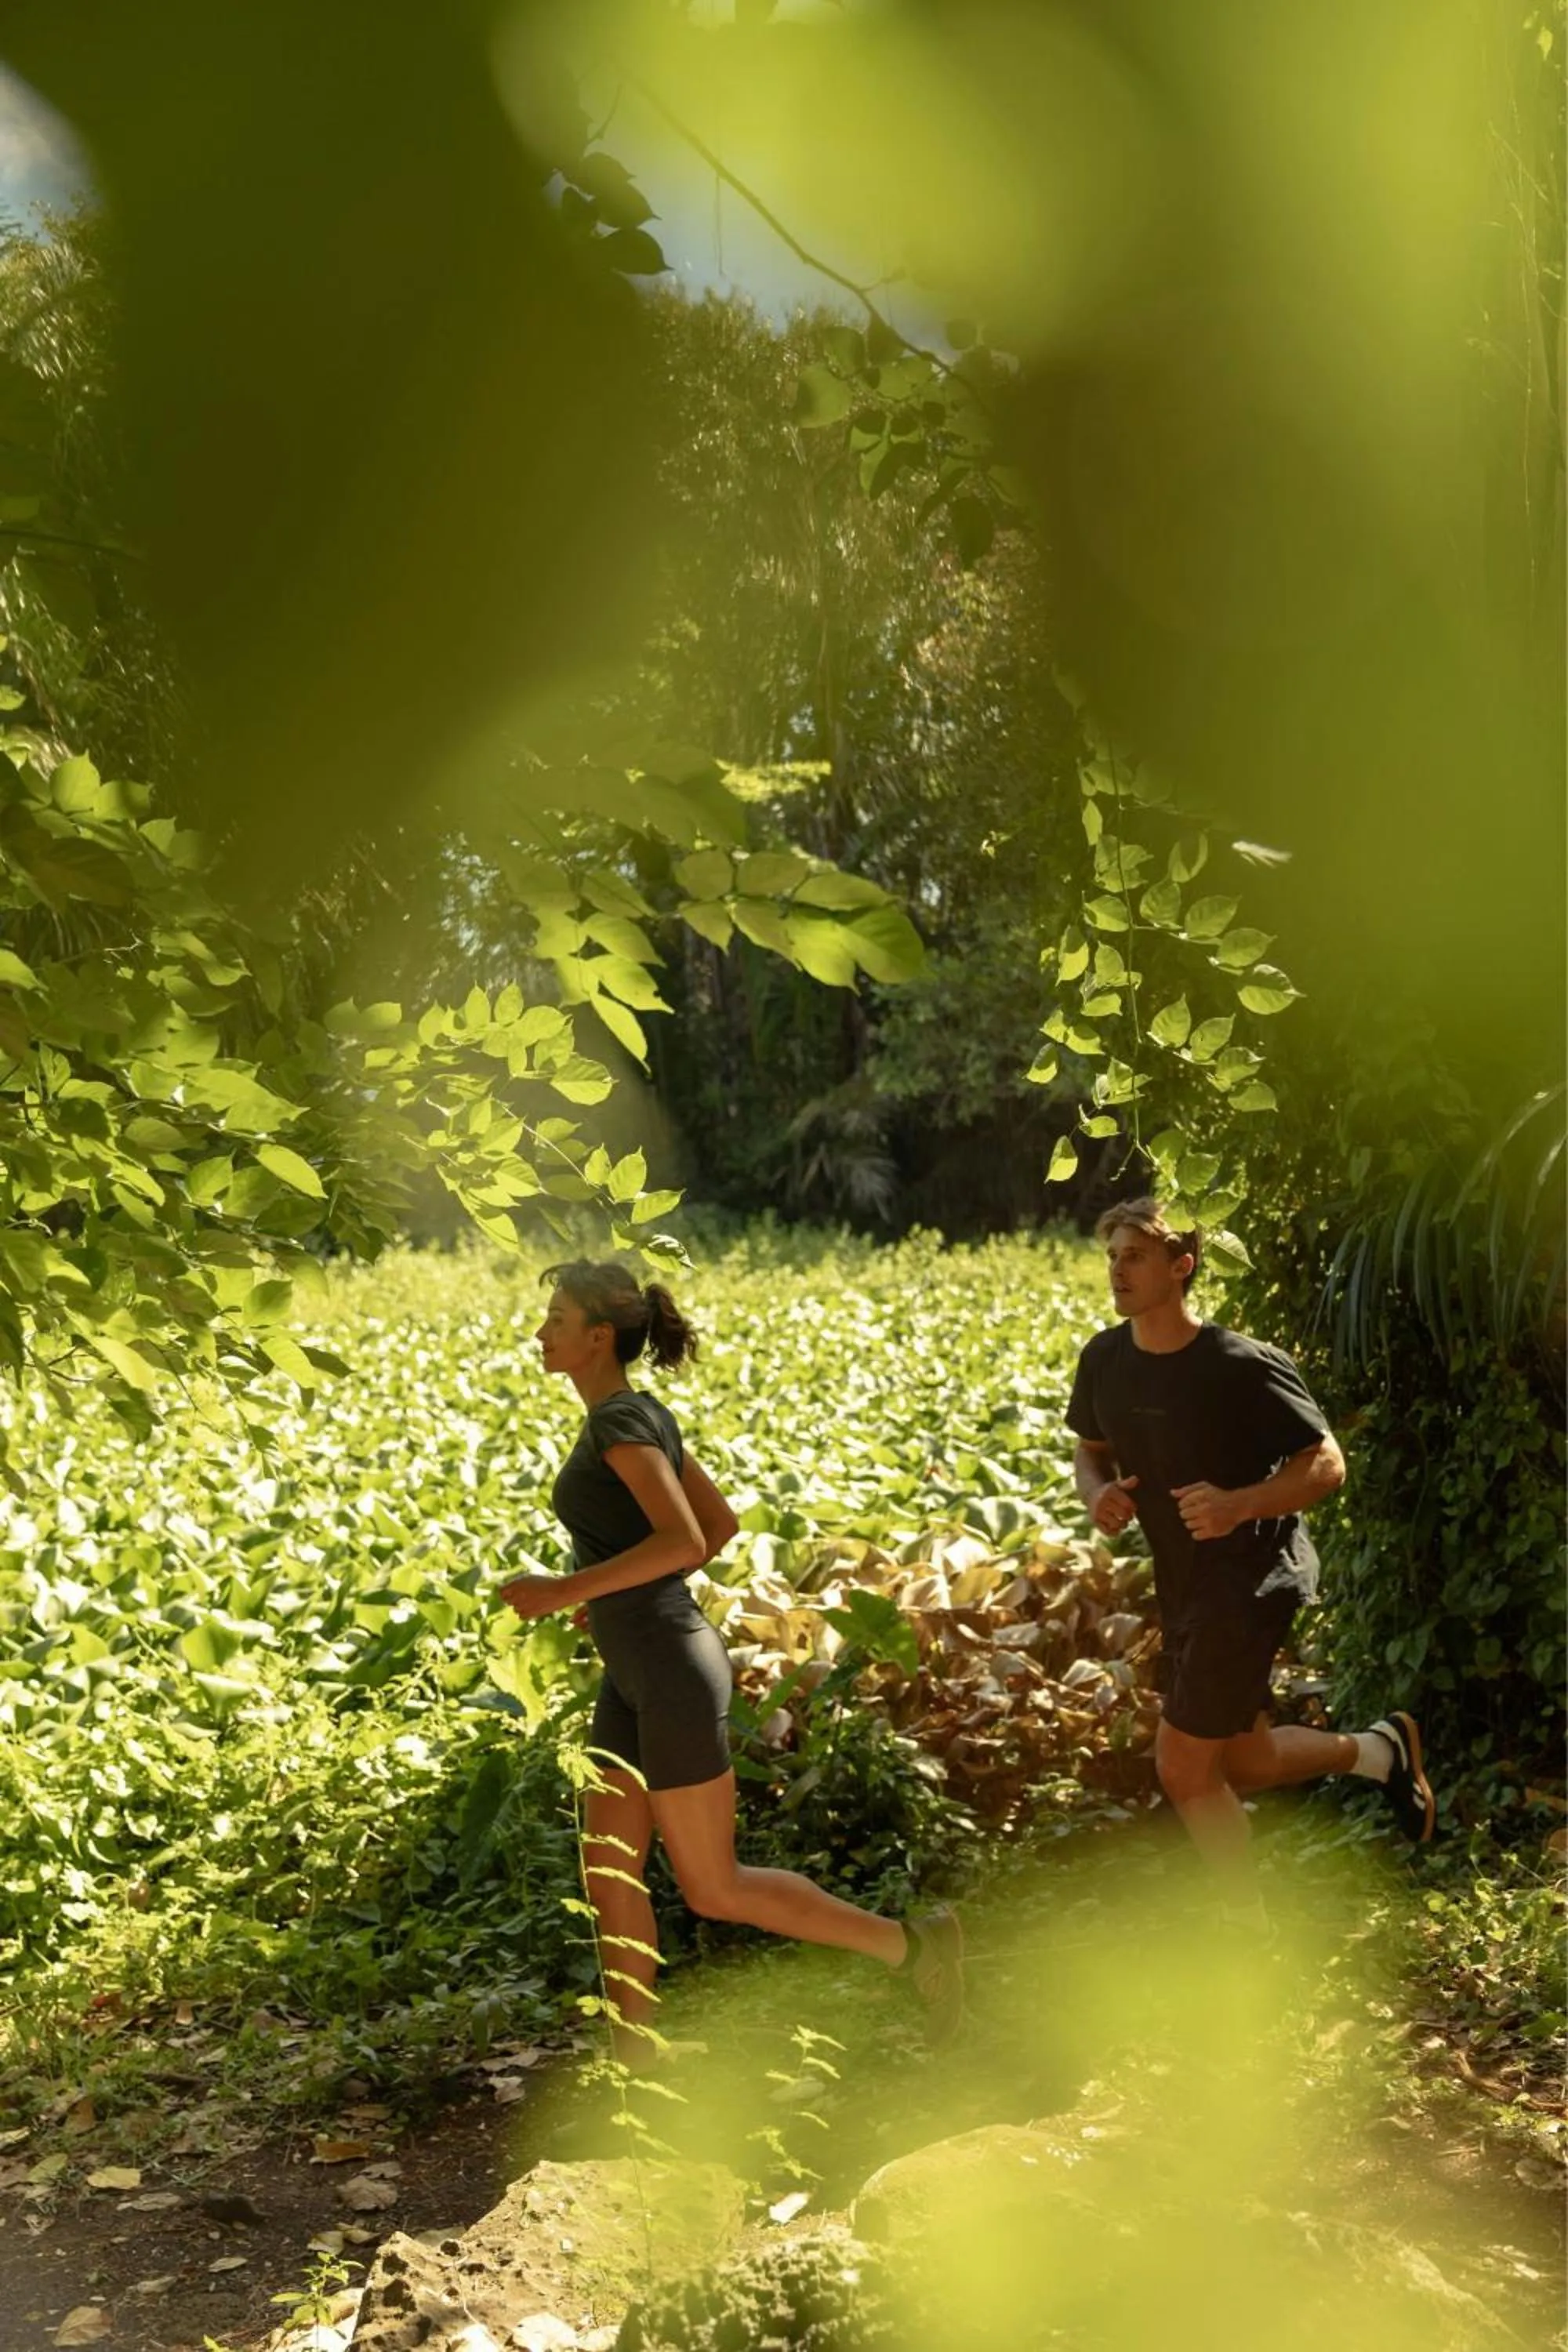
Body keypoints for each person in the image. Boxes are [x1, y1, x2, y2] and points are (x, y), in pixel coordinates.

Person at [498, 1258, 964, 2056]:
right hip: (635, 1667)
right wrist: (608, 1596)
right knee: (609, 1868)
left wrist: (569, 1587)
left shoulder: (619, 1421)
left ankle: (914, 1944)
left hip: (673, 1668)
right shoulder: (634, 1413)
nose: (540, 1332)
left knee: (713, 1887)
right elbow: (716, 1528)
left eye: (554, 1320)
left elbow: (685, 1538)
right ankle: (631, 2060)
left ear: (597, 1337)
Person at [1067, 1200, 1436, 1914]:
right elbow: (1090, 1451)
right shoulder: (1104, 1360)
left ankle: (1246, 1933)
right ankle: (1379, 1751)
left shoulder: (1240, 1365)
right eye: (1112, 1255)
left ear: (1182, 1267)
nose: (1118, 1269)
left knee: (1182, 1768)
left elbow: (1326, 1465)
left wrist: (1238, 1503)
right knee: (1241, 1759)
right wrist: (1098, 1494)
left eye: (1135, 1256)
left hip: (1254, 1574)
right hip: (1185, 1582)